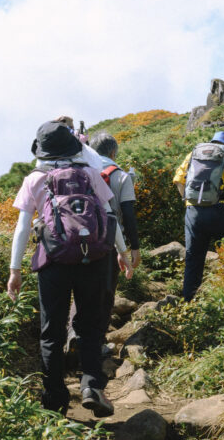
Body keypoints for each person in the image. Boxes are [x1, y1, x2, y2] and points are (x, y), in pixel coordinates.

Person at [7, 120, 133, 417]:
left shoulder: (34, 179)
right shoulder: (90, 173)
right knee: (89, 325)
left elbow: (22, 228)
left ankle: (54, 401)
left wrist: (15, 270)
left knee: (52, 331)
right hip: (94, 259)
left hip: (53, 262)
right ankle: (91, 386)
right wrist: (122, 251)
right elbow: (108, 215)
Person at [173, 130, 224, 301]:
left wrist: (188, 201)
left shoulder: (193, 154)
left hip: (193, 212)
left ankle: (189, 301)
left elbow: (178, 180)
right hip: (215, 211)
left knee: (193, 258)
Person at [89, 131, 142, 320]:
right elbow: (128, 214)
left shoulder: (83, 172)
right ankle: (98, 333)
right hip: (110, 241)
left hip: (81, 240)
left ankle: (76, 330)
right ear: (113, 152)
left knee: (85, 290)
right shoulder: (121, 176)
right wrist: (133, 247)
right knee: (106, 291)